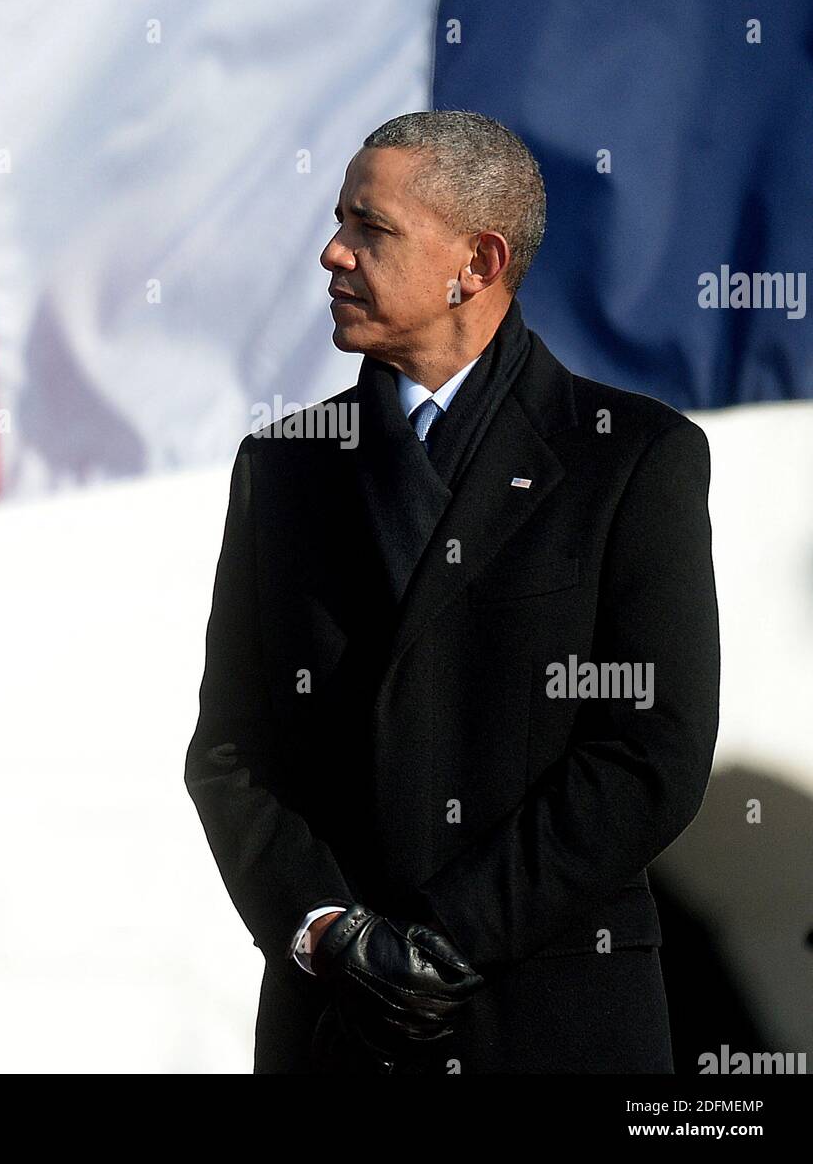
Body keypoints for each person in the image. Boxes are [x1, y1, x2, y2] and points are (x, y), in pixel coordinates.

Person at [184, 110, 720, 1074]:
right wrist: (328, 933)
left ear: (477, 262)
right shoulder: (283, 469)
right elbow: (231, 750)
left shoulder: (635, 460)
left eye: (369, 228)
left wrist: (445, 940)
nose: (331, 254)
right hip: (338, 1030)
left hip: (548, 1021)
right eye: (341, 220)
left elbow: (652, 752)